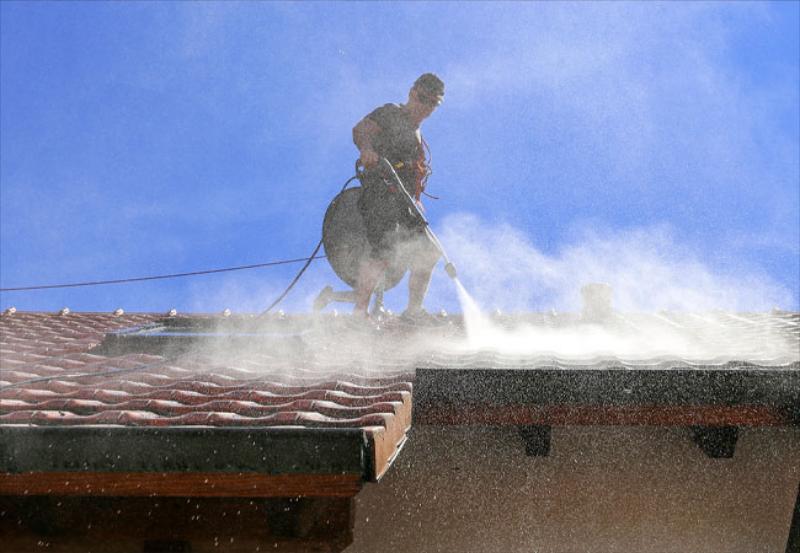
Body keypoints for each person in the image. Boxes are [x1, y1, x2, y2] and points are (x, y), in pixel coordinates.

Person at [351, 73, 445, 320]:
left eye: (432, 103)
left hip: (404, 203)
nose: (425, 107)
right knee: (383, 248)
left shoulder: (417, 136)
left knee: (429, 251)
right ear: (412, 92)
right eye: (422, 98)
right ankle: (358, 315)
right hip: (380, 193)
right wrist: (367, 150)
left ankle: (413, 312)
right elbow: (361, 130)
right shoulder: (391, 112)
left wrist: (415, 200)